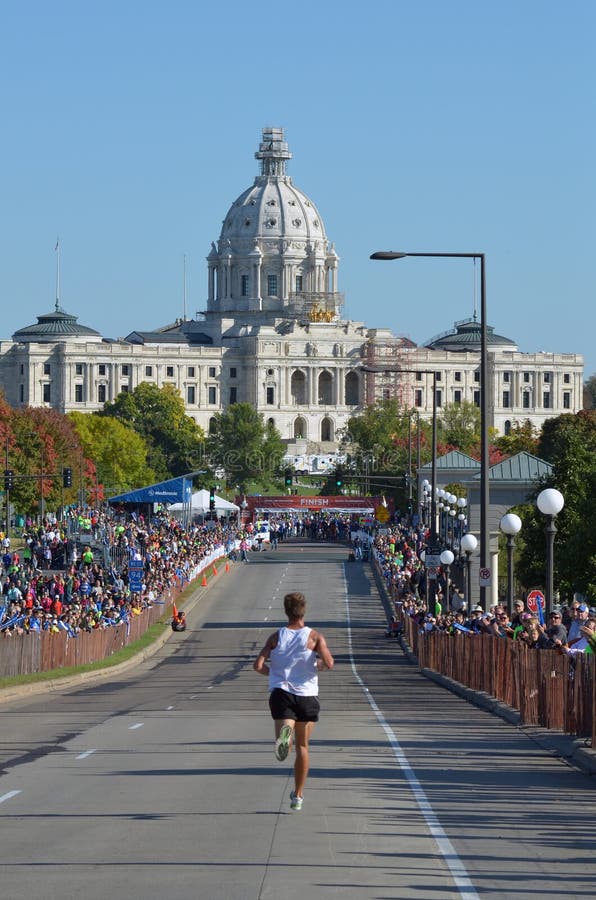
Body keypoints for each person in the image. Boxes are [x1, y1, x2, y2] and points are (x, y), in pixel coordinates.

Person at [253, 591, 334, 812]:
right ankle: (298, 795)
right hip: (307, 695)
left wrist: (274, 673)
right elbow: (329, 662)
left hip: (282, 692)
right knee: (303, 747)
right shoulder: (314, 637)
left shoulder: (276, 637)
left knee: (285, 739)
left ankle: (285, 740)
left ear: (286, 611)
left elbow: (258, 666)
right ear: (303, 611)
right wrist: (316, 666)